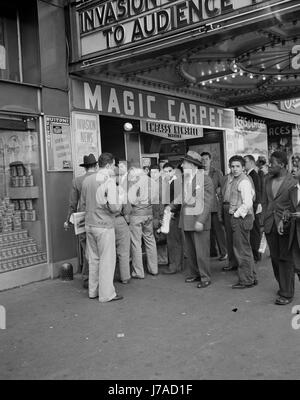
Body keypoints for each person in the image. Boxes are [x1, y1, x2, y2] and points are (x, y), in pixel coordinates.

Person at [80, 152, 123, 302]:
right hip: (104, 226)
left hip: (89, 224)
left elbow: (83, 205)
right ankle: (106, 294)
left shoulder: (87, 180)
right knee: (107, 260)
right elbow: (114, 207)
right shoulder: (109, 181)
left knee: (93, 259)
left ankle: (93, 291)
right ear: (110, 164)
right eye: (114, 165)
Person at [262, 151, 296, 305]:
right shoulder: (267, 180)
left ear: (281, 165)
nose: (269, 166)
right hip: (270, 224)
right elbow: (265, 202)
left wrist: (286, 218)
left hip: (286, 225)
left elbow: (294, 205)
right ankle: (282, 284)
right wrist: (263, 222)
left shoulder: (293, 181)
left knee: (285, 259)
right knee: (275, 258)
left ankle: (287, 293)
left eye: (272, 163)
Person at [180, 151, 214, 288]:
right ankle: (195, 273)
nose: (182, 165)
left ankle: (205, 277)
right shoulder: (186, 178)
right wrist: (170, 207)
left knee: (201, 252)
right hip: (187, 219)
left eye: (185, 163)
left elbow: (207, 202)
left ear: (193, 165)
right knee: (191, 251)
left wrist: (201, 220)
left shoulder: (205, 179)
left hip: (198, 220)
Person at [64, 153, 97, 288]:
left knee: (87, 249)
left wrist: (68, 220)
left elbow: (73, 203)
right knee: (100, 249)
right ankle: (99, 277)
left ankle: (87, 279)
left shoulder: (77, 181)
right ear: (95, 165)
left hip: (83, 218)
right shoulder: (102, 179)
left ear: (85, 167)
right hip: (100, 218)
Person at [222, 155, 256, 289]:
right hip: (242, 218)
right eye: (232, 166)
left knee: (242, 251)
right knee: (245, 249)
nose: (234, 169)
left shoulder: (244, 181)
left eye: (237, 166)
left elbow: (248, 202)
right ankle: (251, 277)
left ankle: (246, 280)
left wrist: (236, 214)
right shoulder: (238, 180)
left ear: (243, 168)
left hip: (241, 218)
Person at [128, 162, 158, 279]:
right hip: (149, 214)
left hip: (136, 215)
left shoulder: (135, 182)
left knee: (136, 242)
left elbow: (132, 200)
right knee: (150, 240)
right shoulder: (153, 182)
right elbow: (156, 200)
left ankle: (138, 272)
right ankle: (154, 269)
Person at [201, 152, 227, 261]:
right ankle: (212, 251)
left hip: (214, 205)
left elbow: (223, 186)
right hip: (202, 206)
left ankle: (224, 252)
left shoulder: (217, 172)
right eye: (202, 159)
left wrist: (220, 190)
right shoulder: (198, 172)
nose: (204, 161)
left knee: (218, 230)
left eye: (206, 159)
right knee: (206, 230)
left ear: (210, 160)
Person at [161, 162, 184, 275]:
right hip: (171, 213)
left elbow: (178, 199)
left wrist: (173, 211)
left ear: (173, 171)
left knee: (173, 241)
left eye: (169, 171)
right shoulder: (169, 182)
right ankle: (177, 265)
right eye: (165, 171)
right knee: (175, 240)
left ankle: (174, 266)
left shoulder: (176, 183)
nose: (167, 173)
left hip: (174, 214)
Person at [278, 165, 300, 283]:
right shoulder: (293, 190)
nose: (293, 170)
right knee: (297, 266)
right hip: (295, 233)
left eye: (297, 168)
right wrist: (283, 219)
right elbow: (289, 208)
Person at [245, 155, 263, 263]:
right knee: (254, 230)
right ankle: (256, 253)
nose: (244, 163)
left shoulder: (253, 175)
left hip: (254, 206)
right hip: (254, 205)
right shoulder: (250, 174)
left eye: (245, 161)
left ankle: (256, 254)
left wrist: (257, 204)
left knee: (255, 231)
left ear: (252, 162)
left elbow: (256, 191)